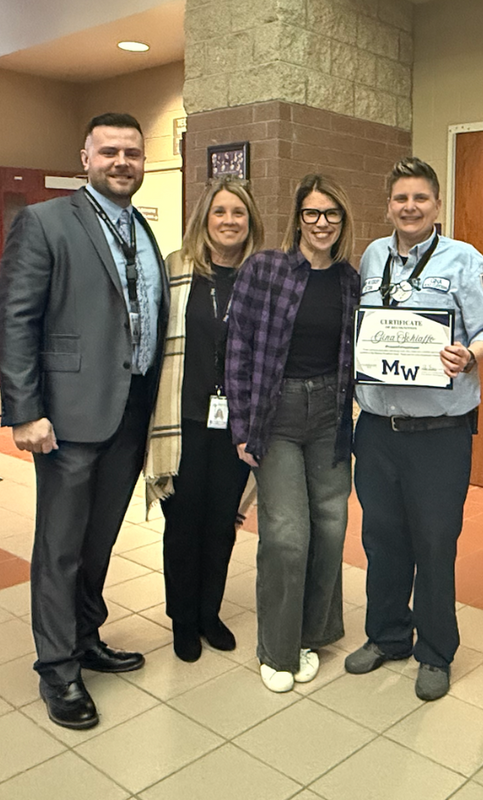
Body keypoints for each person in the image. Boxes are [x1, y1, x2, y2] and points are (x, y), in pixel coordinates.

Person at [0, 113, 167, 729]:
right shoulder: (44, 222)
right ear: (86, 157)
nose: (122, 162)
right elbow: (16, 319)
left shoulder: (142, 228)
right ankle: (58, 669)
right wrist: (24, 411)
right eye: (110, 152)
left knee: (99, 542)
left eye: (133, 153)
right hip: (67, 417)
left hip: (128, 413)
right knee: (61, 547)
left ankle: (86, 636)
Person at [344, 157, 483, 702]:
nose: (409, 208)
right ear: (388, 205)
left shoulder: (465, 260)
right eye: (399, 199)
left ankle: (435, 651)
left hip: (440, 432)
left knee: (435, 543)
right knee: (381, 537)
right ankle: (386, 634)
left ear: (437, 204)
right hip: (378, 428)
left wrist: (469, 353)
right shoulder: (371, 256)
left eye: (420, 198)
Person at [226, 174, 360, 693]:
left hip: (330, 411)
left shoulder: (350, 280)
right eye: (312, 213)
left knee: (329, 528)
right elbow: (237, 348)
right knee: (286, 535)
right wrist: (243, 425)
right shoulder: (265, 270)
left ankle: (312, 634)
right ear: (297, 218)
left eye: (331, 214)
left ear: (342, 221)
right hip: (275, 412)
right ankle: (277, 649)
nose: (321, 223)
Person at [144, 178, 264, 662]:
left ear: (250, 220)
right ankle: (183, 620)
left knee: (221, 523)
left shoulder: (261, 276)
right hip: (184, 418)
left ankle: (210, 612)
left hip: (236, 426)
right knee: (183, 522)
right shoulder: (176, 269)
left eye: (238, 212)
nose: (229, 220)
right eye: (220, 212)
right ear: (205, 218)